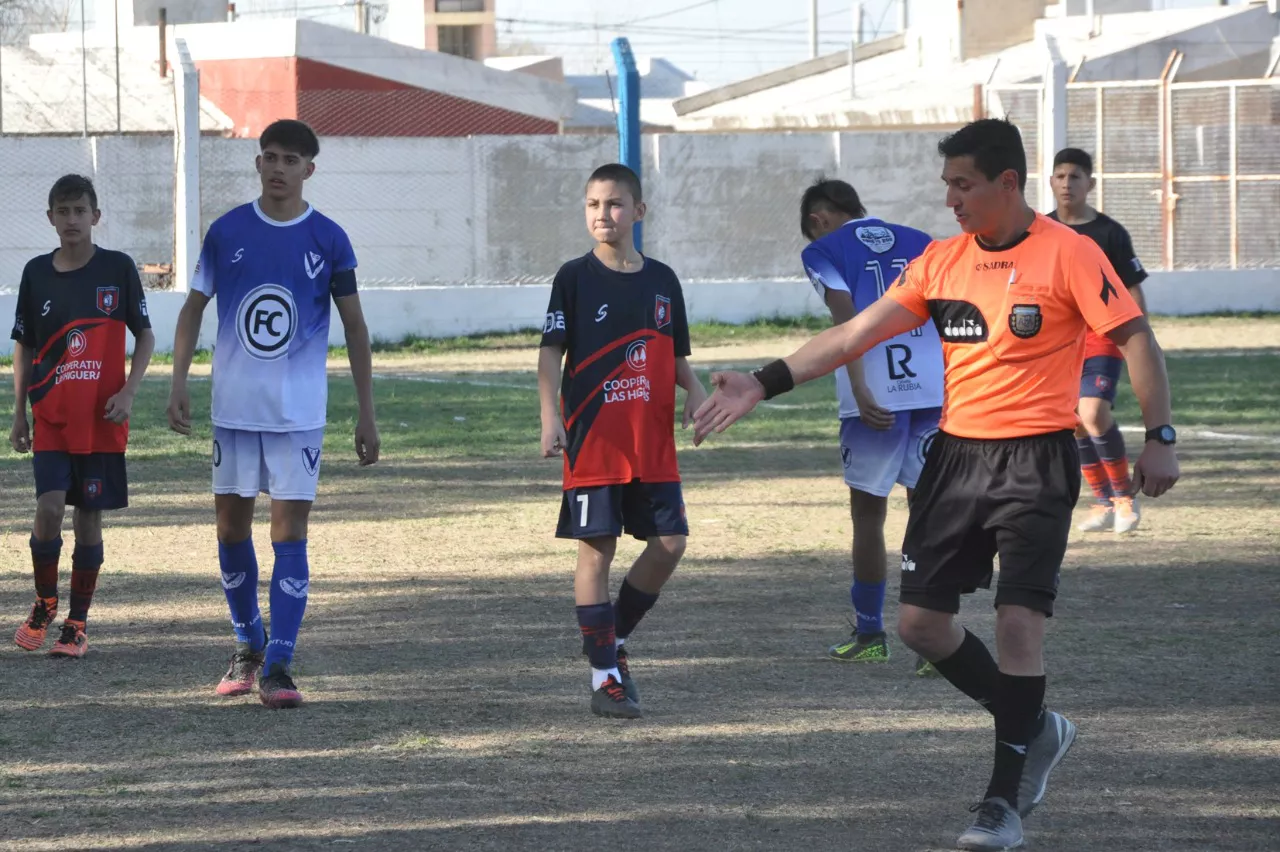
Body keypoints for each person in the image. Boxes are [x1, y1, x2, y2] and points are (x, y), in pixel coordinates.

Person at [692, 119, 1179, 851]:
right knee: (920, 626)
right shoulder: (940, 263)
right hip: (955, 459)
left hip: (1037, 461)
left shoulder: (1070, 254)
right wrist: (762, 384)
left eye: (962, 184)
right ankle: (1035, 729)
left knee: (1019, 624)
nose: (948, 200)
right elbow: (855, 334)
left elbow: (1135, 337)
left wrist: (1159, 437)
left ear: (1006, 184)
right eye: (947, 184)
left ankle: (1001, 804)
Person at [166, 119, 380, 710]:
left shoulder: (329, 238)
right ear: (257, 163)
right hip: (233, 411)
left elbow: (355, 328)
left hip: (298, 415)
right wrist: (179, 381)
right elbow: (191, 311)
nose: (278, 169)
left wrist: (366, 412)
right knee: (230, 531)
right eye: (269, 158)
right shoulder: (226, 231)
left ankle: (280, 664)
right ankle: (246, 644)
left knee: (289, 534)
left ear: (310, 169)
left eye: (291, 160)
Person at [538, 163, 707, 720]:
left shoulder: (663, 279)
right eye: (592, 205)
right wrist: (549, 416)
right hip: (595, 437)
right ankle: (605, 676)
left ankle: (611, 639)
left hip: (651, 437)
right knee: (598, 549)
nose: (602, 215)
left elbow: (675, 352)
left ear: (639, 211)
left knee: (671, 542)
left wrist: (695, 392)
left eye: (613, 204)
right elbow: (550, 354)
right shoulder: (574, 276)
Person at [798, 178, 943, 674]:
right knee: (928, 514)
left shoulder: (822, 249)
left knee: (868, 516)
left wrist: (861, 388)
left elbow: (846, 325)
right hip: (932, 393)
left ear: (818, 218)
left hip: (875, 398)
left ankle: (870, 633)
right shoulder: (920, 239)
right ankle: (935, 642)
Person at [9, 174, 155, 658]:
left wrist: (130, 392)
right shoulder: (35, 273)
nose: (71, 220)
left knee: (88, 518)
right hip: (50, 412)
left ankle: (77, 623)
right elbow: (25, 345)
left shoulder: (117, 268)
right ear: (50, 218)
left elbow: (146, 335)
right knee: (49, 508)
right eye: (62, 211)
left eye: (80, 211)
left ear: (95, 216)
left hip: (101, 418)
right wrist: (18, 414)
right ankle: (45, 602)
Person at [1048, 147, 1150, 534]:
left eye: (1075, 176)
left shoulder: (1110, 233)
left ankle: (1124, 496)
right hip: (1058, 341)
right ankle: (1102, 501)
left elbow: (1132, 291)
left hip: (1102, 335)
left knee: (1092, 413)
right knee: (1073, 421)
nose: (1067, 183)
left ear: (1090, 183)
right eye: (1060, 176)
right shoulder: (1040, 229)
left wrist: (1140, 343)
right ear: (1051, 181)